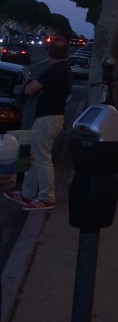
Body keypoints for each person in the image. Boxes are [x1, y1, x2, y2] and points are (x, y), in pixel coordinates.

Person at [3, 35, 72, 211]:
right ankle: (27, 193)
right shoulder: (64, 69)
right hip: (49, 118)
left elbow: (31, 89)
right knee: (32, 157)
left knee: (42, 159)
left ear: (49, 51)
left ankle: (47, 197)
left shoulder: (54, 70)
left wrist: (30, 85)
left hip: (46, 119)